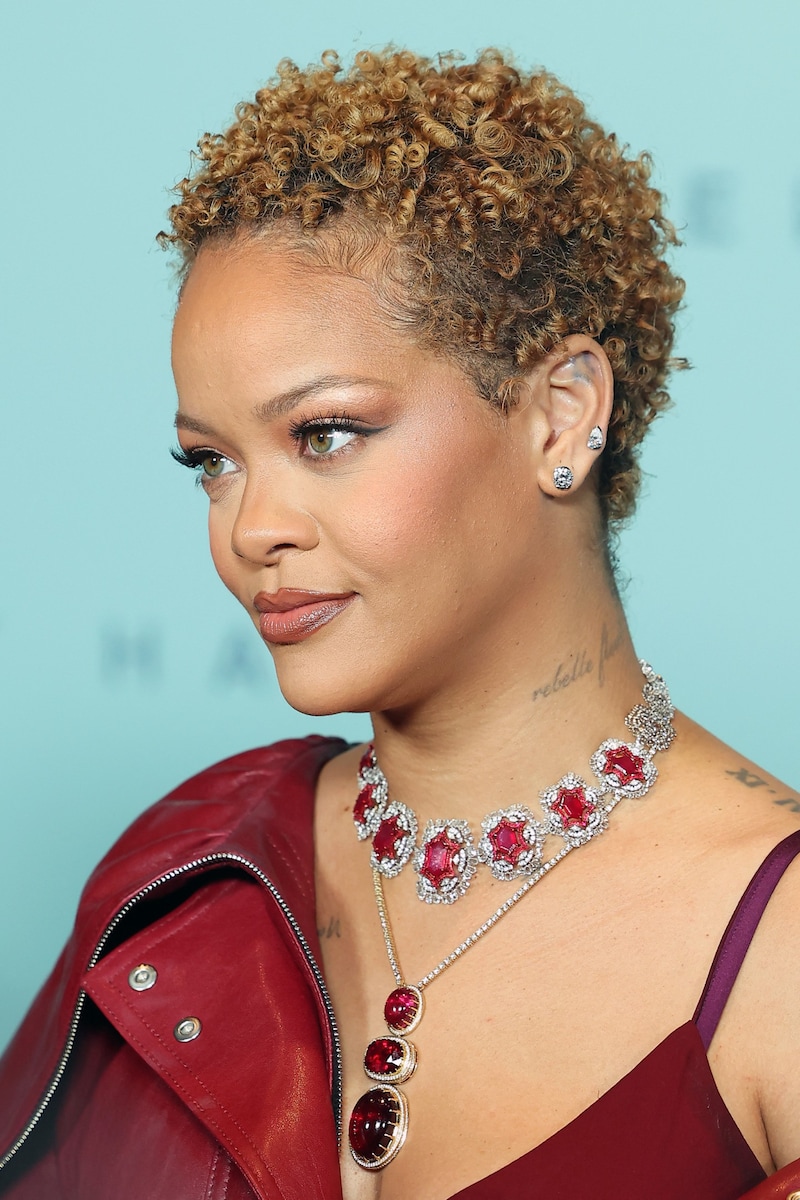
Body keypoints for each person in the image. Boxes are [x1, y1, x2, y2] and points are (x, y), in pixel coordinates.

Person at [0, 47, 798, 1200]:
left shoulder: (774, 948)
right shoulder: (188, 875)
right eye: (210, 464)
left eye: (324, 434)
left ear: (559, 416)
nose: (250, 528)